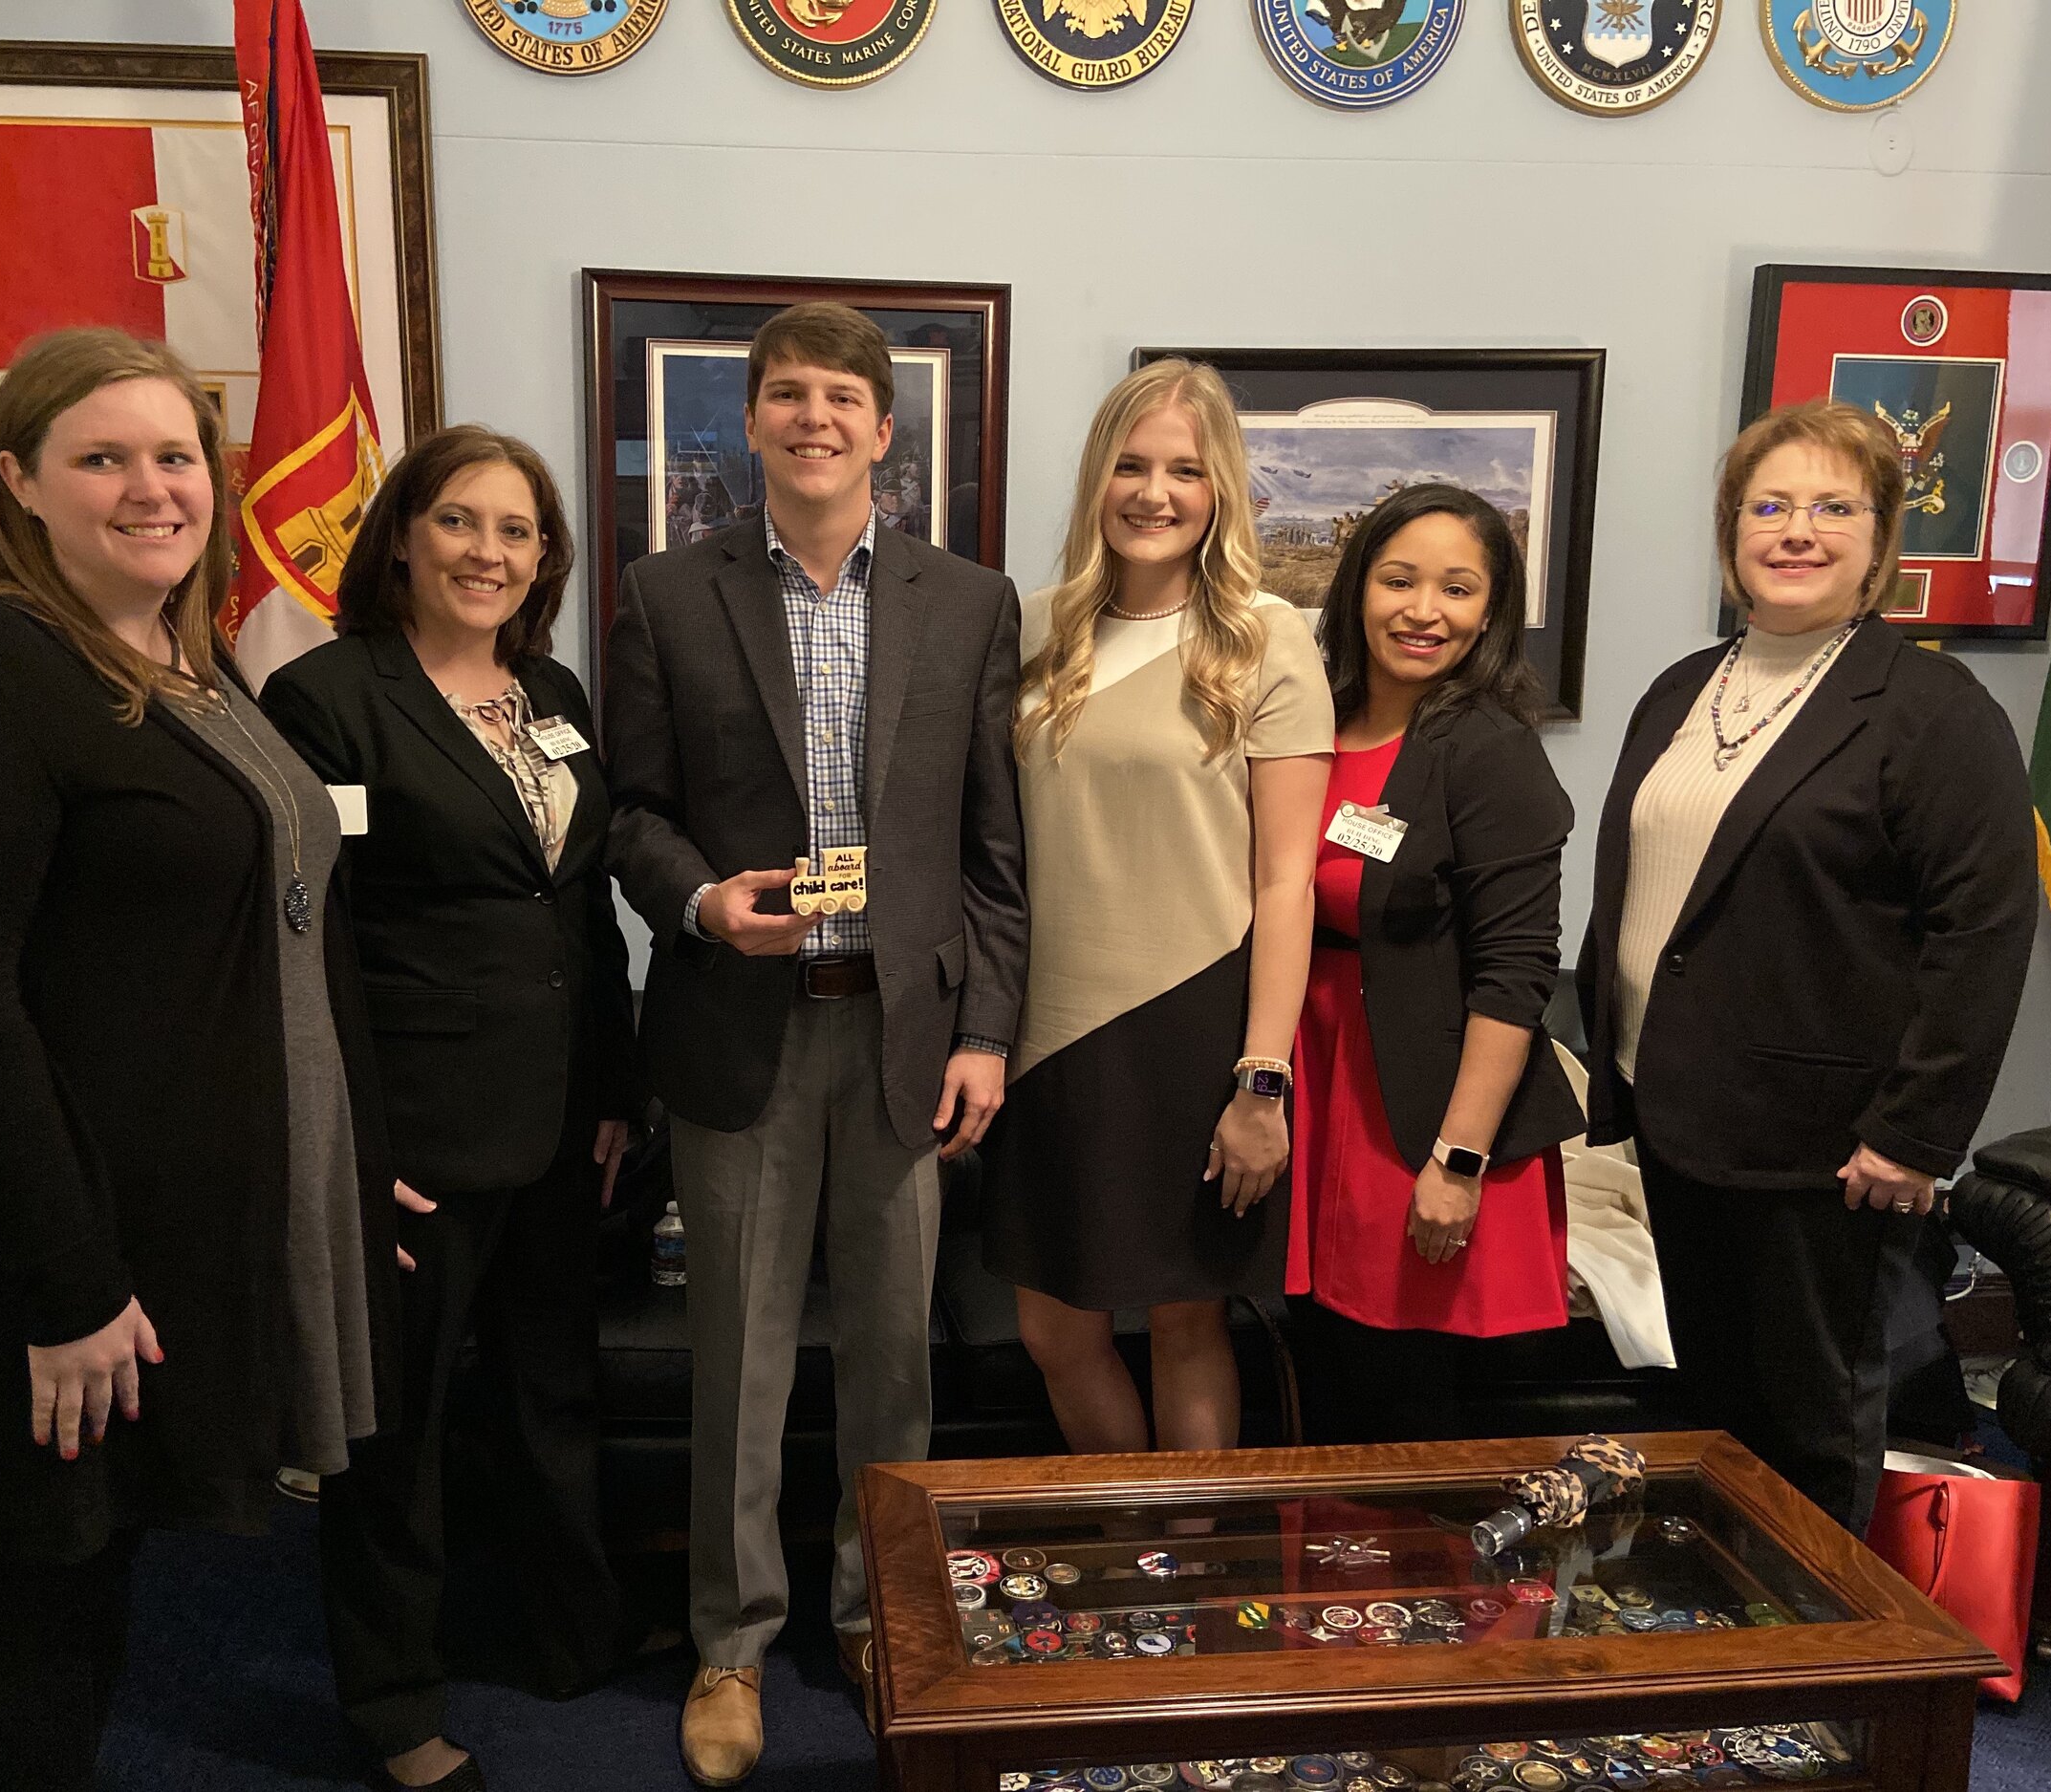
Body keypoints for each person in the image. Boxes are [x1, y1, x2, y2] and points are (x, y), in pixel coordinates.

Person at [0, 327, 397, 1792]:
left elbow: (258, 950)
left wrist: (338, 1158)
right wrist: (63, 1282)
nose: (152, 487)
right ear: (15, 479)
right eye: (103, 456)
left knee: (99, 1571)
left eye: (176, 454)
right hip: (41, 1246)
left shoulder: (180, 661)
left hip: (163, 1229)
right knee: (39, 1595)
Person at [605, 302, 1027, 1786]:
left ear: (885, 427)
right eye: (786, 395)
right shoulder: (665, 595)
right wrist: (704, 899)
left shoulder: (970, 600)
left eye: (843, 397)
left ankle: (880, 1612)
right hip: (742, 1032)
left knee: (895, 1364)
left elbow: (992, 847)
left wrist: (986, 1028)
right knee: (740, 1354)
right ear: (750, 421)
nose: (815, 419)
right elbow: (631, 815)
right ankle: (730, 1636)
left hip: (905, 1039)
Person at [260, 426, 644, 1791]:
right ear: (406, 537)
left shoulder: (553, 689)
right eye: (461, 522)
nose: (490, 551)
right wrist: (354, 1143)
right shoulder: (324, 699)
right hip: (416, 1130)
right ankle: (395, 1700)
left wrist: (616, 1085)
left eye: (518, 529)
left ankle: (565, 1630)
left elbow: (580, 902)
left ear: (546, 556)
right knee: (397, 1426)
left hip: (559, 1121)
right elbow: (314, 946)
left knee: (553, 1391)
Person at [1579, 398, 2040, 1534]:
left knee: (1812, 1418)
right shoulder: (1684, 688)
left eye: (1833, 507)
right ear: (1731, 533)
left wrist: (1917, 1134)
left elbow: (1982, 930)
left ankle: (1819, 1673)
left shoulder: (1929, 709)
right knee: (1713, 1405)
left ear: (1880, 542)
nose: (1796, 529)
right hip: (1679, 1113)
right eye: (1768, 505)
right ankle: (1730, 1617)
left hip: (1825, 1143)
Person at [980, 359, 1333, 1456]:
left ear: (1220, 488)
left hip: (1196, 1028)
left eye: (1184, 469)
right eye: (1130, 465)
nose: (1154, 491)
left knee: (1187, 1324)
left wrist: (1260, 1081)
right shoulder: (1031, 628)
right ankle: (1131, 1548)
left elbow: (1286, 882)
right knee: (1051, 1328)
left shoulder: (1268, 640)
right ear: (1097, 481)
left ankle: (1193, 1586)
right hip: (1042, 1030)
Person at [1280, 483, 1587, 1445]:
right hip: (1309, 1079)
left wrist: (1456, 1161)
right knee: (1318, 1380)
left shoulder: (1488, 751)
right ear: (1354, 589)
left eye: (1458, 589)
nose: (1422, 611)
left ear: (1492, 610)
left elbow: (1514, 975)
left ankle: (1421, 1597)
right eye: (1398, 580)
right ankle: (1324, 1595)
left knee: (1400, 1403)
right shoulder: (1308, 723)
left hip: (1416, 1112)